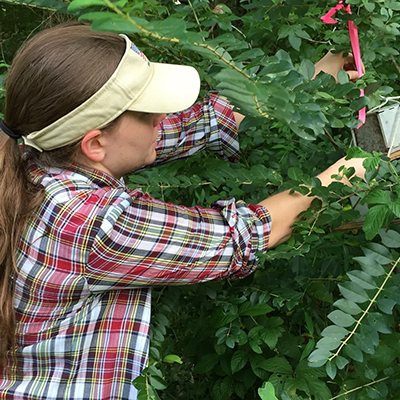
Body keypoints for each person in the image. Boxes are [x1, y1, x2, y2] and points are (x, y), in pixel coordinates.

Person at [0, 22, 365, 400]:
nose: (162, 118)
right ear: (95, 142)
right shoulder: (87, 220)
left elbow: (201, 123)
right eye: (148, 112)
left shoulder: (37, 150)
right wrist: (350, 172)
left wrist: (312, 81)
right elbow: (244, 235)